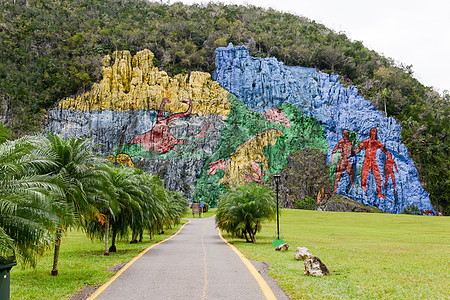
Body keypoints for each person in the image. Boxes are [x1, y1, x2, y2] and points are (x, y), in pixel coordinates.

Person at [354, 127, 388, 198]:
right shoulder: (365, 141)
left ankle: (379, 193)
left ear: (376, 133)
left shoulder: (377, 143)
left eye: (374, 131)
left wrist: (388, 154)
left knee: (378, 177)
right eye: (372, 130)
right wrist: (352, 151)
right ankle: (363, 188)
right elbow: (358, 149)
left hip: (373, 161)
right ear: (370, 132)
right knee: (364, 175)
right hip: (366, 160)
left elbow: (384, 149)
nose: (373, 132)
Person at [331, 129, 354, 193]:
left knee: (351, 173)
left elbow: (352, 151)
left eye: (347, 133)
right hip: (342, 159)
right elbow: (335, 150)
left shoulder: (349, 143)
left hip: (347, 159)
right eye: (344, 133)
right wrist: (332, 159)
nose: (345, 135)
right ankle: (335, 189)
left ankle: (353, 187)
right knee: (338, 173)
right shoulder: (340, 141)